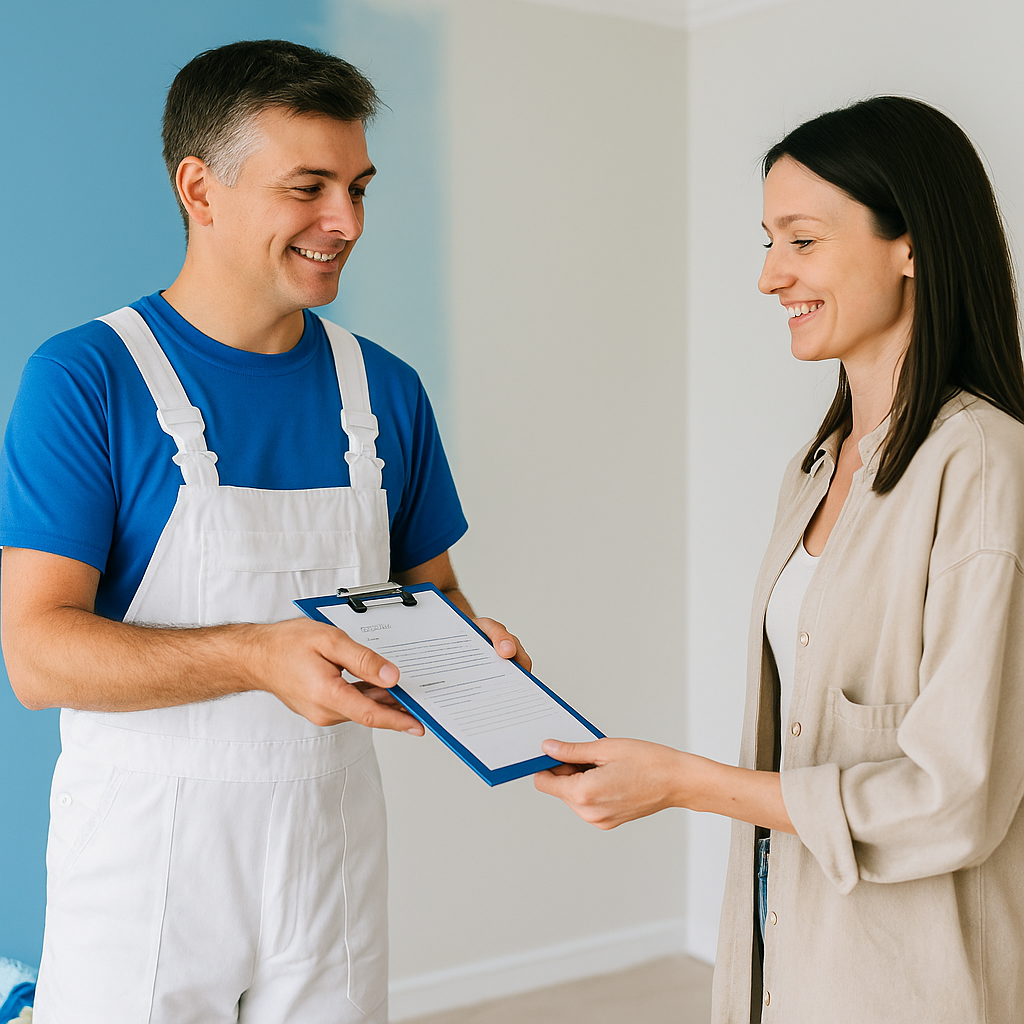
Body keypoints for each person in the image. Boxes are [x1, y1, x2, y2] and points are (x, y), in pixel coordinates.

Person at [0, 39, 526, 1024]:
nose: (347, 222)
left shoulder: (386, 392)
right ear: (201, 189)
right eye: (309, 187)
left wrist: (471, 653)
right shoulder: (87, 378)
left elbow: (432, 597)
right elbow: (36, 654)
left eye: (360, 186)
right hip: (146, 857)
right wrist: (257, 656)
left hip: (330, 841)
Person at [535, 96, 1024, 1023]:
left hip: (909, 984)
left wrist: (685, 784)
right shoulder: (815, 467)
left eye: (801, 241)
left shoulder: (986, 467)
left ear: (909, 244)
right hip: (783, 949)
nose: (769, 277)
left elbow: (953, 797)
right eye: (768, 241)